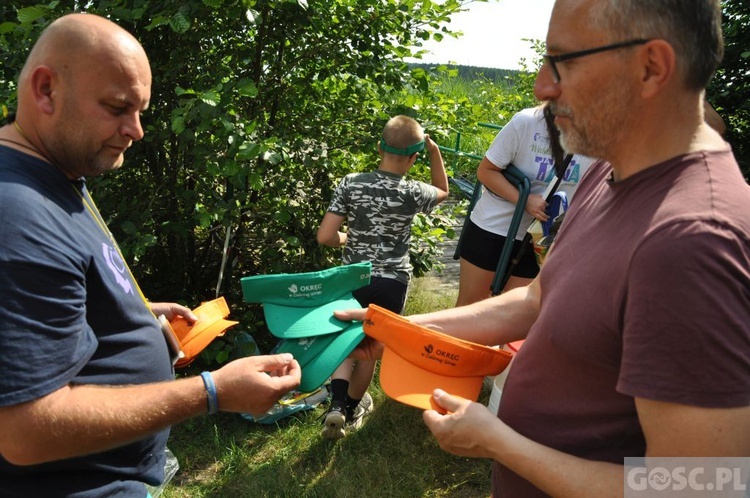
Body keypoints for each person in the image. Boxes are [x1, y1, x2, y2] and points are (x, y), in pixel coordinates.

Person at [337, 0, 750, 496]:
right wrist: (395, 330)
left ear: (651, 66)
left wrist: (500, 443)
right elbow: (537, 299)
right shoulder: (610, 166)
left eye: (564, 61)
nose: (542, 86)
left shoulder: (694, 242)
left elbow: (703, 486)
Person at [0, 13, 300, 497]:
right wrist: (213, 392)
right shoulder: (15, 214)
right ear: (45, 90)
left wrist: (132, 311)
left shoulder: (59, 172)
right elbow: (25, 430)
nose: (136, 131)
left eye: (140, 111)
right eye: (118, 107)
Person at [316, 115, 449, 439]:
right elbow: (443, 190)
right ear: (413, 157)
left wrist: (346, 239)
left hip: (353, 278)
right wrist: (434, 152)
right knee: (371, 351)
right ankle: (351, 409)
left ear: (380, 146)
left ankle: (335, 405)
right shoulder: (413, 191)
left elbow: (325, 236)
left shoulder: (351, 183)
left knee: (345, 345)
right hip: (392, 282)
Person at [455, 104, 594, 305]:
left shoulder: (599, 135)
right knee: (469, 309)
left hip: (541, 241)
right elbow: (486, 171)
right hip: (494, 230)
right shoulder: (527, 122)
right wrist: (525, 200)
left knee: (510, 316)